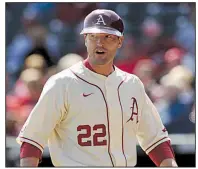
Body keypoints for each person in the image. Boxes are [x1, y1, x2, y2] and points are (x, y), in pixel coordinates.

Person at [17, 9, 178, 167]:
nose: (99, 43)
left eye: (107, 37)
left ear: (120, 41)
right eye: (93, 36)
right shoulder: (62, 84)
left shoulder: (132, 84)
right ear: (85, 39)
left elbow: (157, 141)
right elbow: (32, 141)